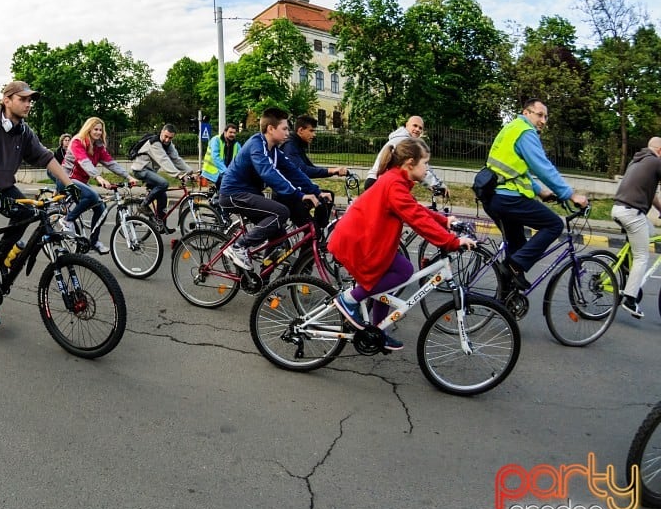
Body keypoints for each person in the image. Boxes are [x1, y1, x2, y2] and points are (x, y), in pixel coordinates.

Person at [327, 138, 476, 350]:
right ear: (409, 163)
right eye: (425, 163)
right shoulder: (395, 185)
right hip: (358, 242)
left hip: (364, 240)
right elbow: (417, 219)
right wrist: (451, 241)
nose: (427, 169)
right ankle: (349, 299)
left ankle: (379, 329)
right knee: (403, 270)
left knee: (392, 277)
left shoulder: (397, 180)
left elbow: (415, 209)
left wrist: (446, 221)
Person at [0, 80, 78, 326]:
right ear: (7, 100)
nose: (28, 104)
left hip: (2, 187)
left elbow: (45, 156)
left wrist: (70, 184)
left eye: (30, 100)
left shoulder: (23, 131)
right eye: (23, 99)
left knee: (27, 212)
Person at [482, 98, 588, 290]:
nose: (544, 120)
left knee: (518, 245)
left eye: (546, 117)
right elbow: (543, 167)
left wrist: (540, 192)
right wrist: (570, 194)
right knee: (554, 224)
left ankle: (505, 301)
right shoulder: (525, 132)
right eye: (539, 115)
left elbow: (517, 170)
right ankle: (513, 265)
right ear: (526, 113)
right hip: (508, 198)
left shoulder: (511, 128)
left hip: (494, 197)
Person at [217, 107, 329, 272]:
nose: (287, 133)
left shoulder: (274, 151)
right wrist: (299, 194)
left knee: (279, 236)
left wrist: (317, 191)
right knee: (281, 212)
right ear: (270, 129)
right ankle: (238, 246)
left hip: (249, 194)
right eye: (284, 128)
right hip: (233, 194)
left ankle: (263, 279)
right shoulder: (257, 145)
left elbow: (294, 172)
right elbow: (268, 172)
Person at [60, 118, 139, 254]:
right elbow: (84, 162)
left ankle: (94, 241)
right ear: (88, 129)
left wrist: (128, 176)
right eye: (95, 129)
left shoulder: (98, 147)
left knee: (101, 208)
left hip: (80, 182)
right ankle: (68, 220)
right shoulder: (77, 141)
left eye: (100, 130)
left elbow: (111, 163)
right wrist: (98, 177)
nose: (98, 132)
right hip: (65, 179)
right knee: (92, 195)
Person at [610, 137, 661, 318]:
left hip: (618, 209)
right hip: (632, 212)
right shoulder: (656, 161)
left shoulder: (638, 160)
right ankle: (630, 300)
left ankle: (625, 270)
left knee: (650, 231)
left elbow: (652, 195)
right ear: (660, 150)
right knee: (642, 256)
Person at [130, 123, 195, 233]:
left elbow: (176, 159)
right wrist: (178, 174)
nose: (167, 140)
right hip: (140, 169)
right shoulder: (154, 143)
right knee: (164, 183)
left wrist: (190, 172)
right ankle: (143, 205)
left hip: (150, 171)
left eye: (170, 138)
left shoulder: (169, 145)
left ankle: (161, 226)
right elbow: (164, 160)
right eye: (165, 136)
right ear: (161, 132)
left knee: (163, 196)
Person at [364, 115, 447, 194]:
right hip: (380, 183)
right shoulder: (406, 143)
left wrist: (436, 184)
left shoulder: (400, 139)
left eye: (420, 128)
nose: (417, 129)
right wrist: (437, 186)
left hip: (376, 181)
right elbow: (420, 167)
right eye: (415, 125)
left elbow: (424, 167)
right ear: (407, 125)